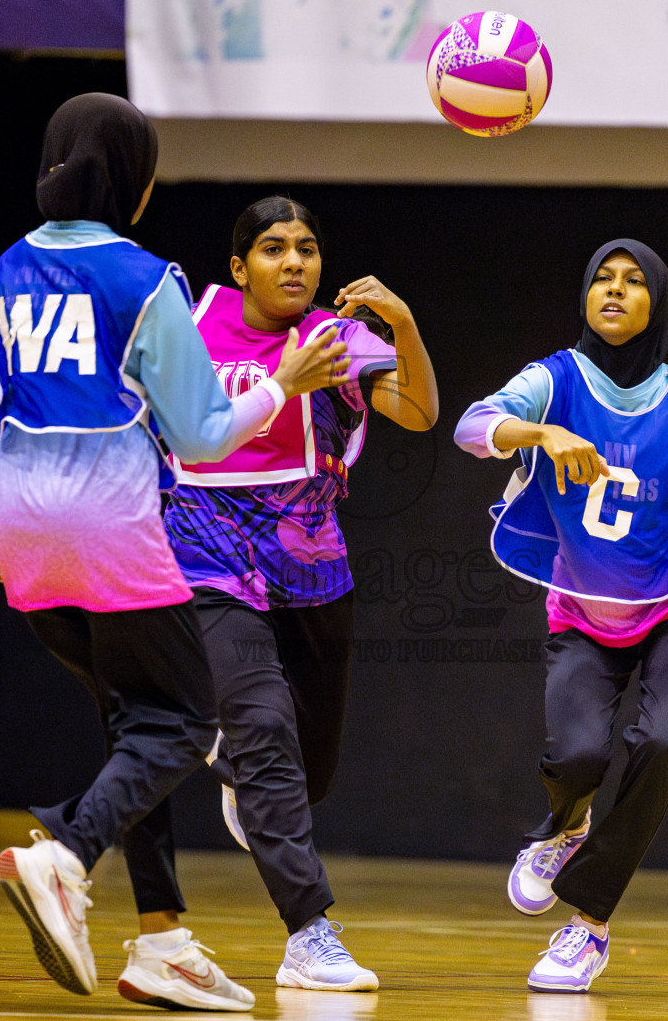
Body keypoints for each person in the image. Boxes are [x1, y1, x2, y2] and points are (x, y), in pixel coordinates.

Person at [0, 96, 349, 1011]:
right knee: (186, 721)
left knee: (131, 724)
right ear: (131, 179)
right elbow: (203, 433)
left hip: (18, 518)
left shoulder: (10, 265)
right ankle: (66, 852)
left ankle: (162, 942)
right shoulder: (145, 279)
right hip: (109, 520)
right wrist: (282, 384)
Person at [129, 196, 438, 993]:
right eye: (273, 248)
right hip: (207, 557)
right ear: (239, 268)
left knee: (308, 774)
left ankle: (240, 771)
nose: (294, 262)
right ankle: (310, 936)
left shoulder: (340, 338)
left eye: (306, 248)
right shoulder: (192, 323)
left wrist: (403, 325)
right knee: (265, 730)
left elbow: (419, 411)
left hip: (310, 567)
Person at [455, 239, 668, 993]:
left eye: (634, 282)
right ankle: (567, 826)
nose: (615, 290)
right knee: (578, 758)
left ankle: (589, 925)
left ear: (655, 304)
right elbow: (471, 426)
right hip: (584, 603)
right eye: (603, 278)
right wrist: (540, 432)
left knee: (659, 745)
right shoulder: (554, 380)